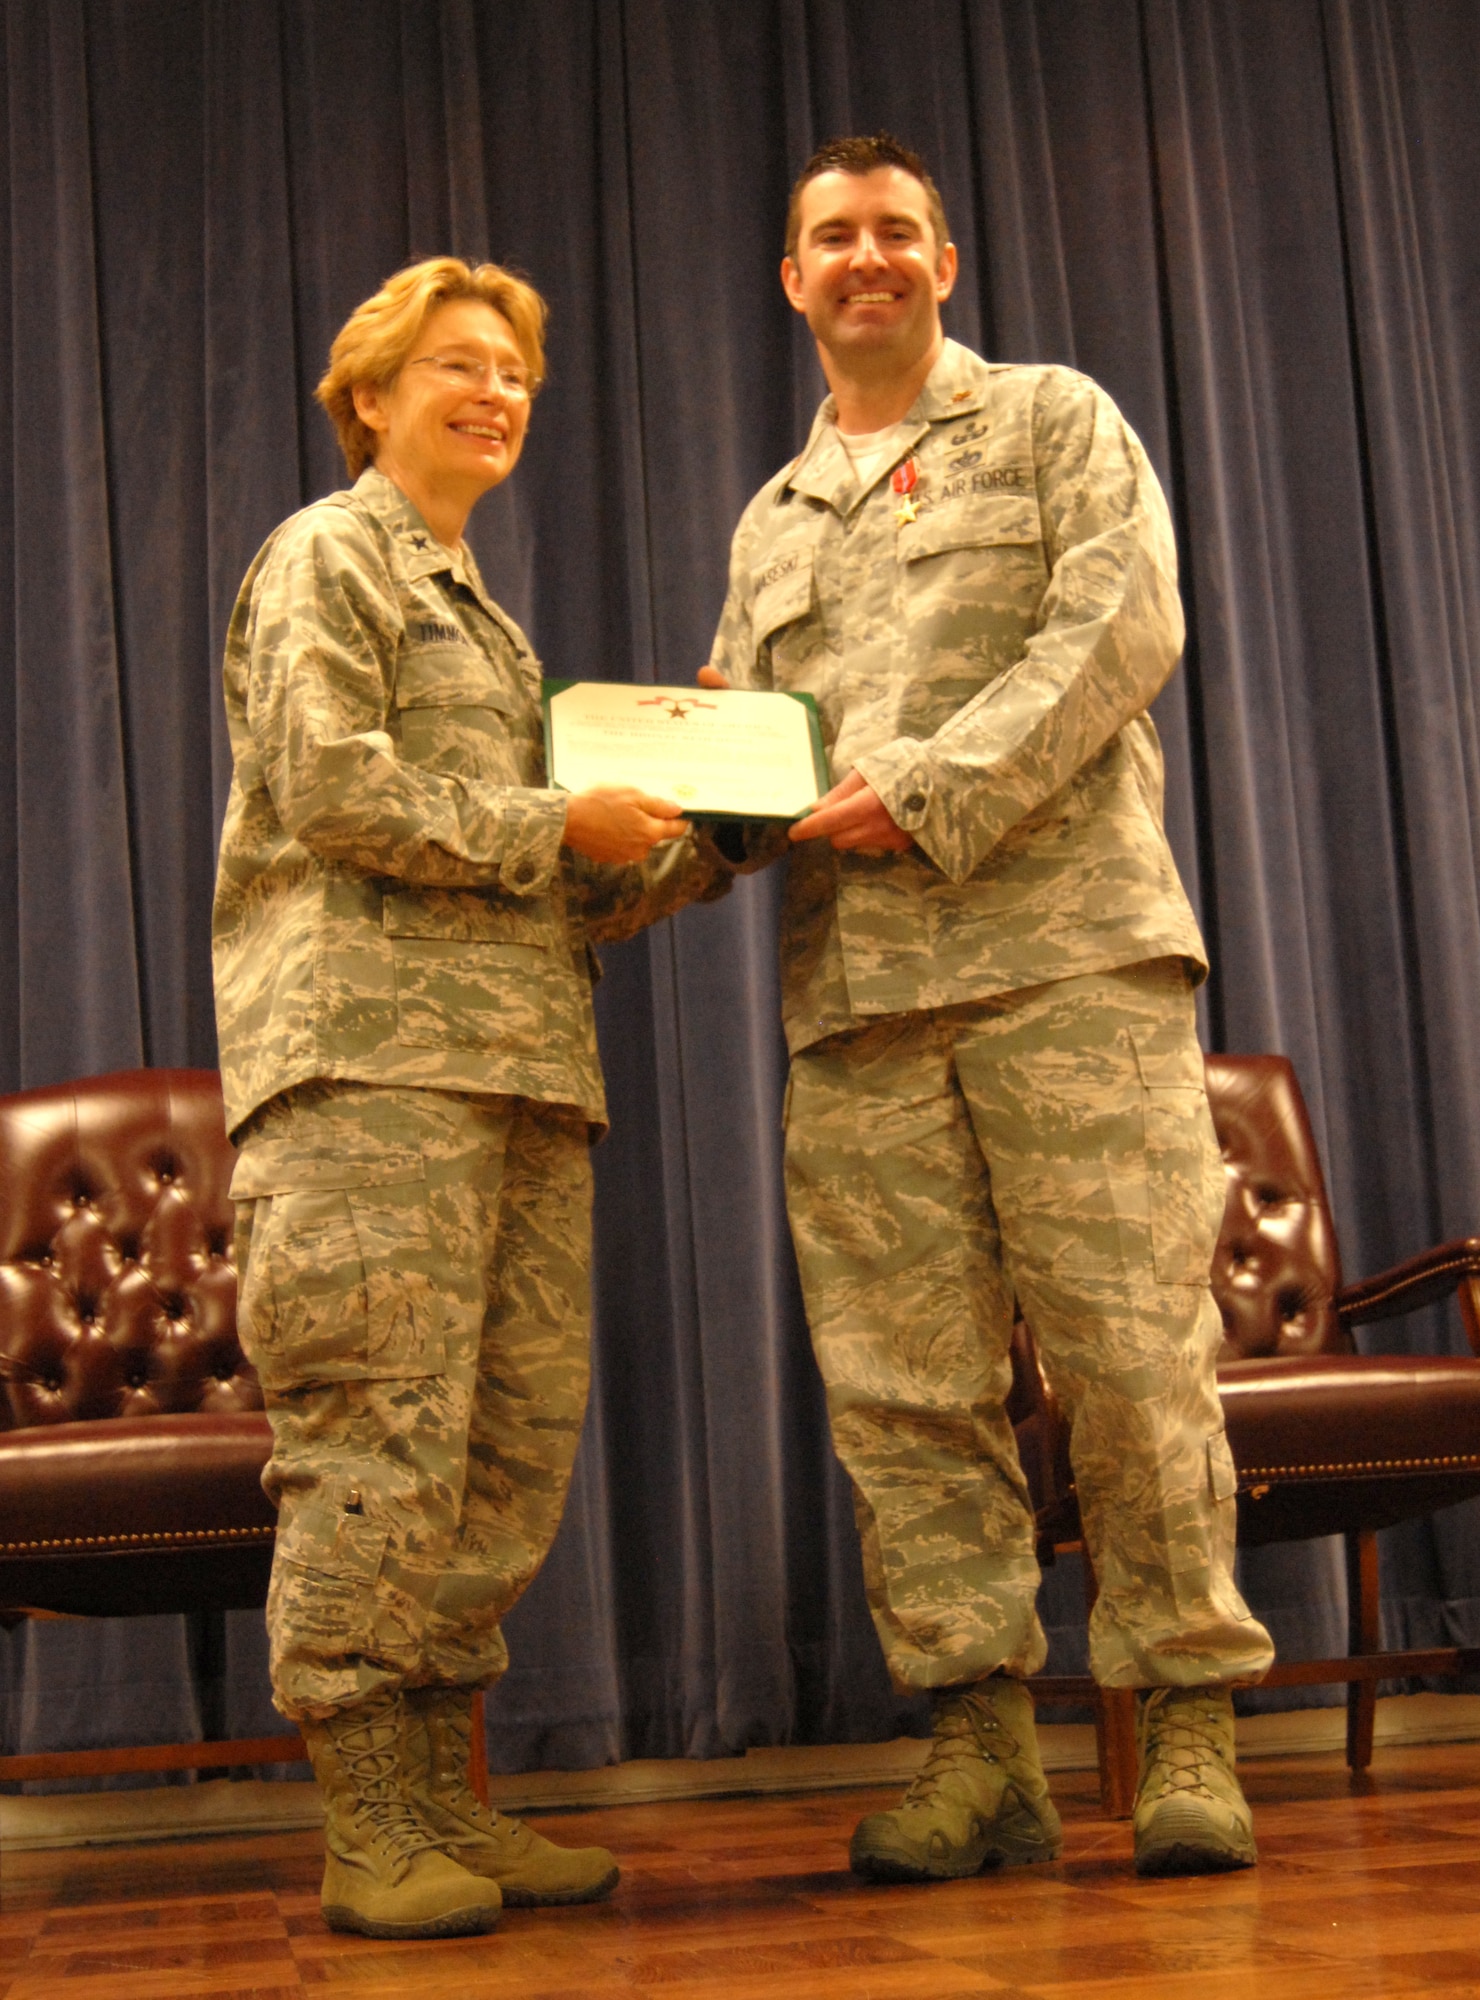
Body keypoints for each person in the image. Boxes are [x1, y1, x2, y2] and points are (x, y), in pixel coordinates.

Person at [699, 135, 1275, 1882]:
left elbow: (1122, 626)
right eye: (829, 240)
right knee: (903, 1394)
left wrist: (930, 784)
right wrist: (666, 794)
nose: (863, 260)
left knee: (1127, 1355)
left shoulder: (1053, 421)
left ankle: (1181, 1727)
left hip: (1064, 964)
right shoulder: (771, 521)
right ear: (791, 283)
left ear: (944, 259)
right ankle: (981, 1752)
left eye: (894, 232)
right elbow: (751, 764)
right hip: (861, 1004)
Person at [213, 257, 728, 1939]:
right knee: (377, 1440)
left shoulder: (486, 623)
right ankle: (368, 1825)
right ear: (370, 395)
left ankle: (451, 1799)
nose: (494, 391)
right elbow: (332, 787)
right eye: (455, 364)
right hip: (367, 1077)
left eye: (514, 370)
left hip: (517, 1080)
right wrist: (548, 824)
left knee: (498, 1461)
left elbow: (545, 888)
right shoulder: (329, 555)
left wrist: (708, 824)